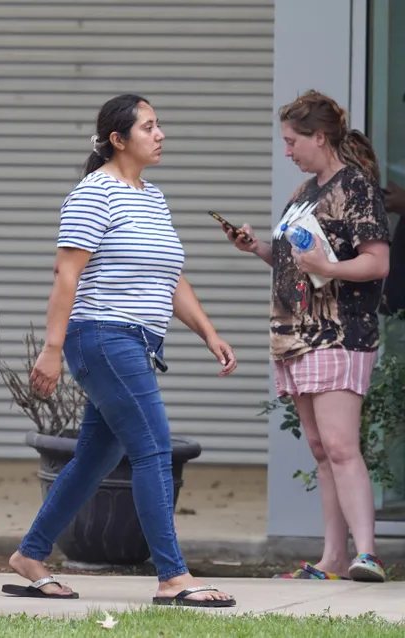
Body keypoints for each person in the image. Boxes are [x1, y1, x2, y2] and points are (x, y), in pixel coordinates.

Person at [7, 94, 238, 608]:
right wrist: (51, 349)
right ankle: (173, 577)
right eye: (149, 126)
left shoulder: (150, 196)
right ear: (118, 138)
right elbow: (66, 274)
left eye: (159, 125)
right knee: (154, 448)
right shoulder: (94, 193)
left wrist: (209, 332)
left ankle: (30, 554)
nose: (161, 134)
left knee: (94, 459)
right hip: (103, 337)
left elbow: (170, 276)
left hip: (135, 340)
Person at [226, 90, 390, 582]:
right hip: (294, 334)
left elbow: (377, 261)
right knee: (321, 449)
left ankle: (367, 555)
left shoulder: (355, 186)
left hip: (339, 332)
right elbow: (297, 261)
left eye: (292, 141)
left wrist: (329, 266)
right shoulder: (304, 194)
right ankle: (333, 559)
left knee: (341, 446)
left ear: (320, 137)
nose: (287, 151)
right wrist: (257, 246)